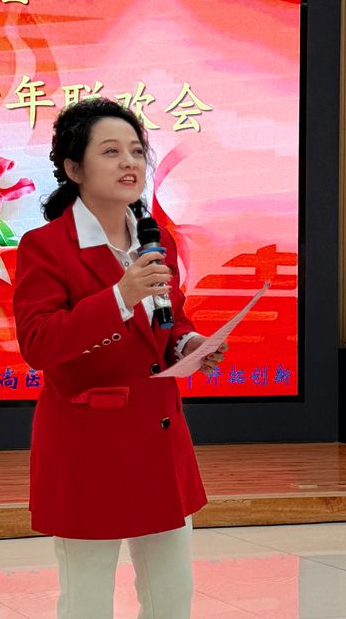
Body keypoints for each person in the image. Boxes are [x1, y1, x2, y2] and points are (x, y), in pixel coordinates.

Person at [12, 97, 226, 619]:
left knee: (171, 595)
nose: (129, 162)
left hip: (158, 437)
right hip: (89, 445)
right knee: (87, 598)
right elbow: (39, 343)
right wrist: (118, 297)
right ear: (74, 169)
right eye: (110, 151)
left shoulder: (155, 240)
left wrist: (189, 344)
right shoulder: (45, 246)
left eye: (136, 150)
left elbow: (170, 318)